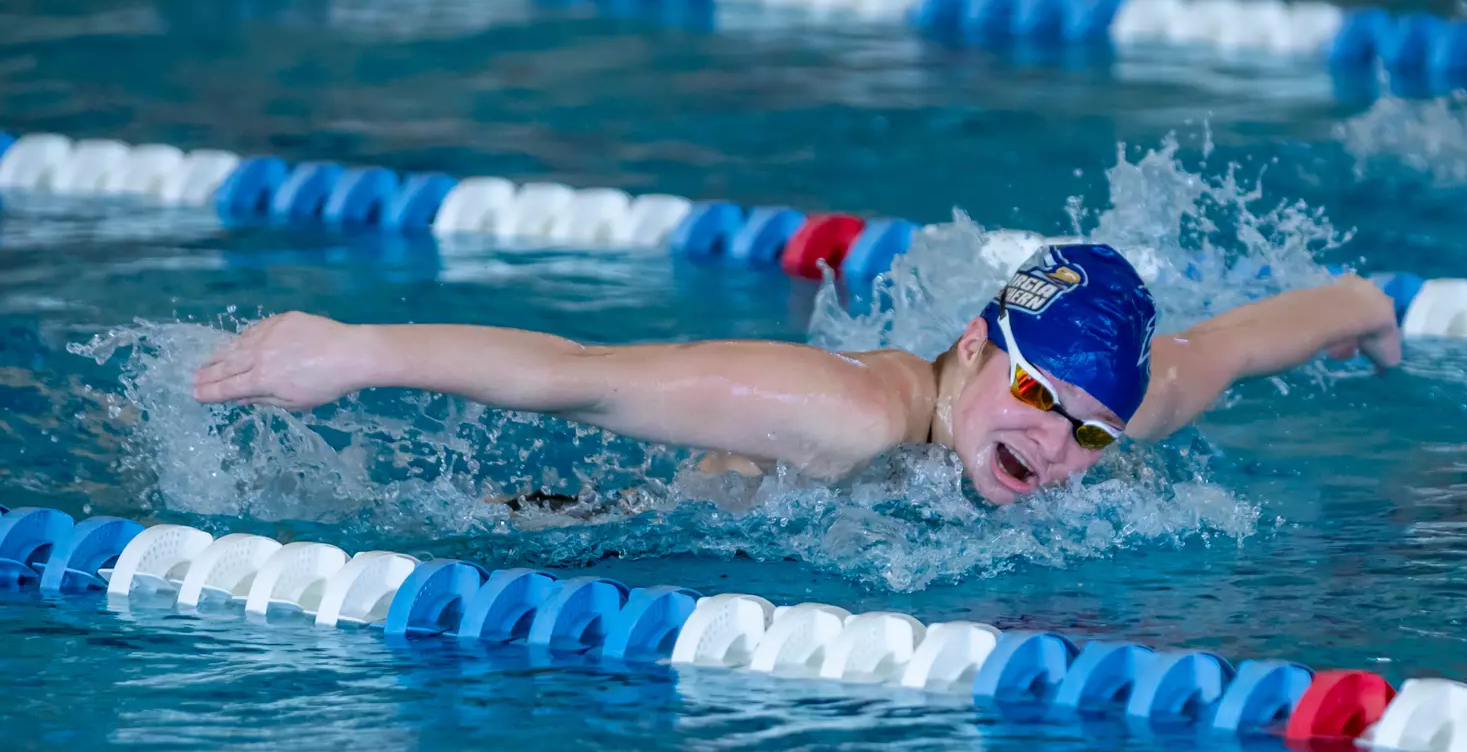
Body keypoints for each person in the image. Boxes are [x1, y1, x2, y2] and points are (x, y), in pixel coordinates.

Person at [192, 243, 1401, 506]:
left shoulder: (1118, 409)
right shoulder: (845, 414)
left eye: (1091, 429)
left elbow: (1237, 341)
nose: (1061, 444)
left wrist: (1365, 309)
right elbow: (585, 376)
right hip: (691, 508)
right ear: (975, 345)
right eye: (1041, 397)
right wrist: (356, 350)